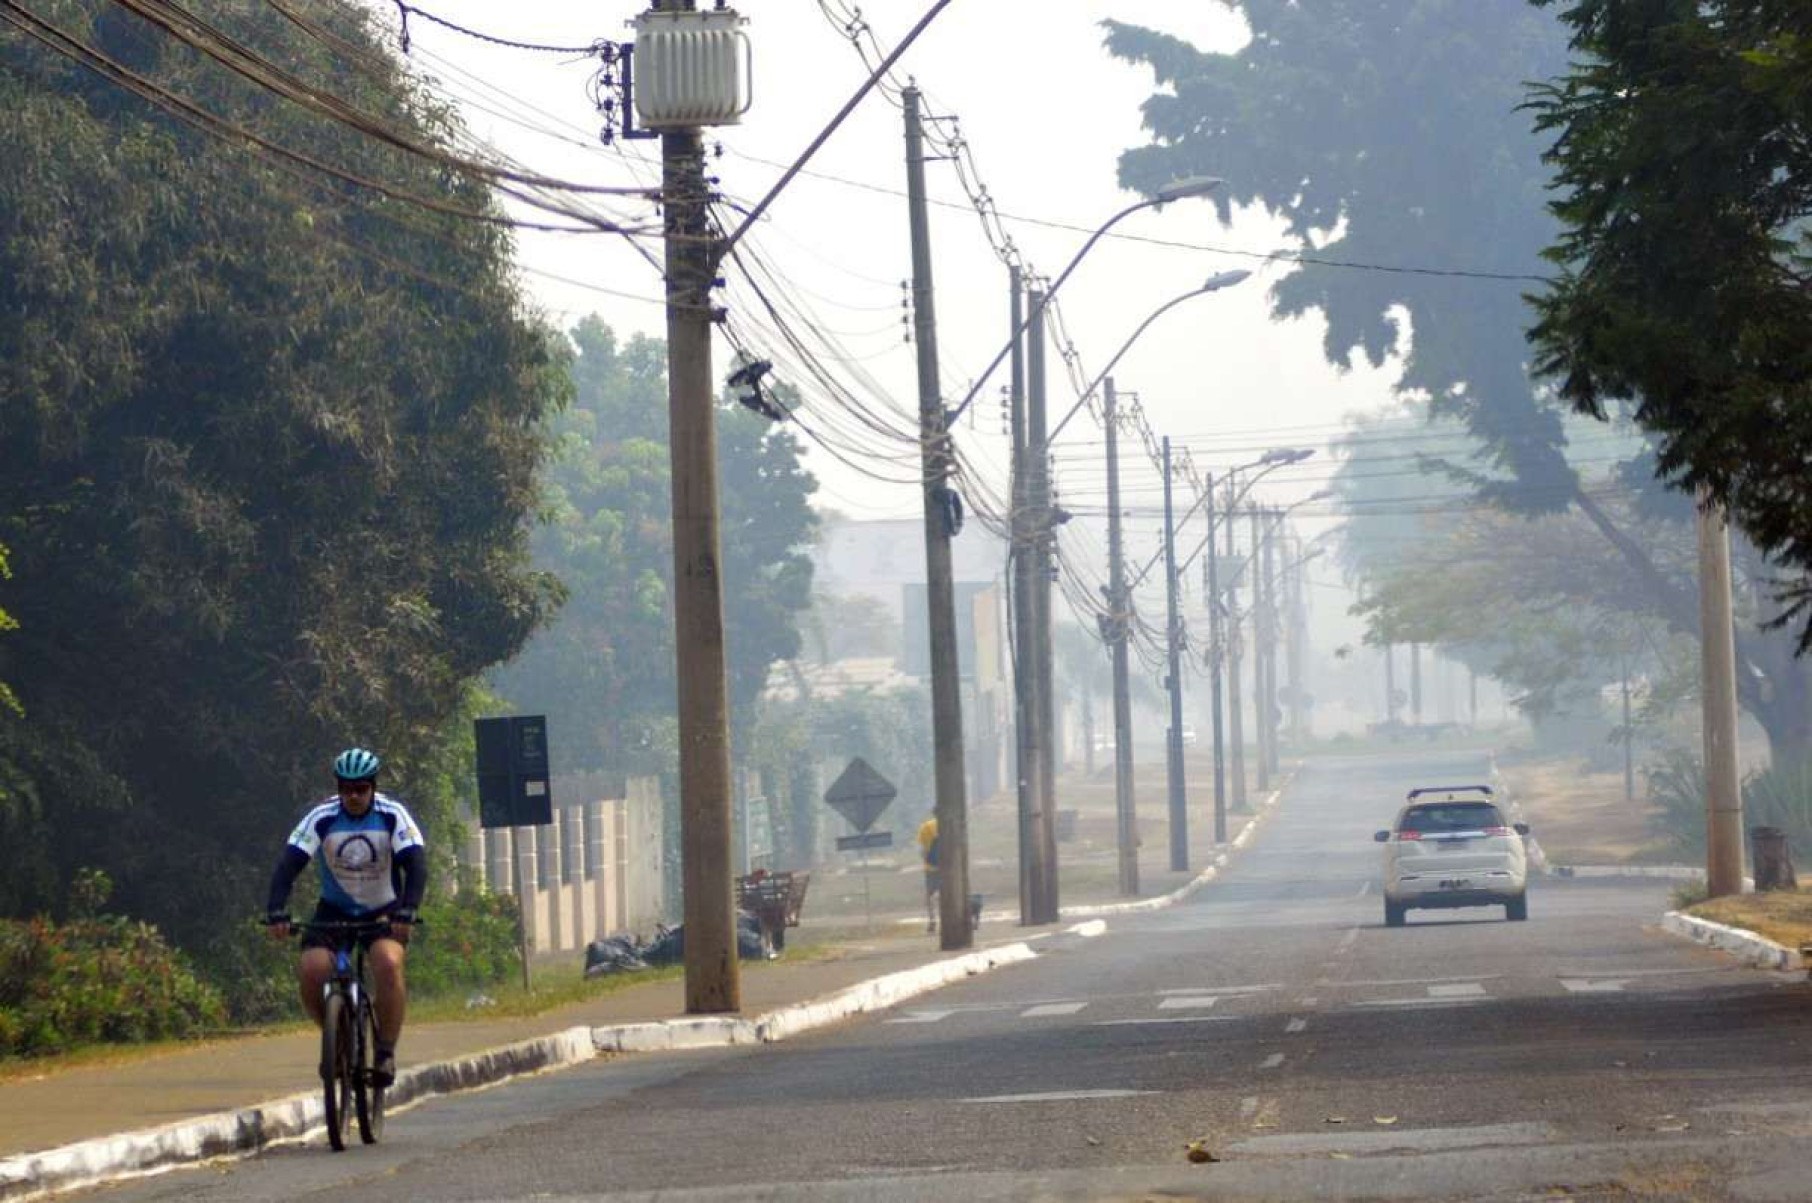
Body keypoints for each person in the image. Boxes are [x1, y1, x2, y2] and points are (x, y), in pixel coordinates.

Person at [266, 747, 426, 1087]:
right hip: (335, 910)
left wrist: (408, 911)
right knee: (312, 969)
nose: (353, 796)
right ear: (338, 788)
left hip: (384, 909)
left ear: (373, 787)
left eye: (361, 789)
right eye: (346, 789)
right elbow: (288, 865)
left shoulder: (392, 814)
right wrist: (277, 911)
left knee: (387, 962)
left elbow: (415, 865)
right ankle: (334, 1038)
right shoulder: (322, 817)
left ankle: (384, 1052)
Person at [916, 813, 939, 934]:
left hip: (931, 867)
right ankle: (948, 918)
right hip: (950, 867)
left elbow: (922, 850)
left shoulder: (926, 827)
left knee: (930, 895)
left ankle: (932, 920)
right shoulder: (952, 824)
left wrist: (926, 859)